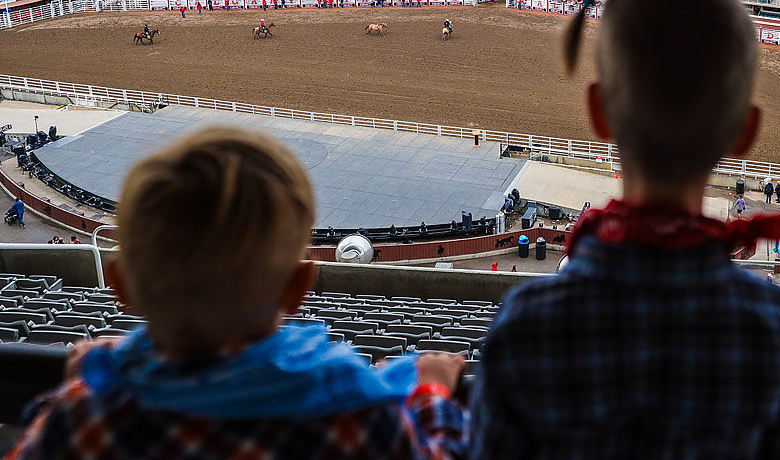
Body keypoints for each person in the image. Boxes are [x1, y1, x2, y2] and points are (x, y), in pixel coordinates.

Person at [471, 0, 780, 459]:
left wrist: (434, 396)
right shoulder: (779, 330)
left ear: (600, 112)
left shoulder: (525, 326)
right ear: (745, 131)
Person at [8, 127, 467, 459]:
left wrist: (80, 384)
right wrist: (430, 392)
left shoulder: (85, 416)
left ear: (121, 285)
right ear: (298, 287)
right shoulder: (351, 404)